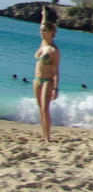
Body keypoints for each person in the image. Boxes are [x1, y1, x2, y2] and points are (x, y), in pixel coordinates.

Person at [33, 7, 60, 143]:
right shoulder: (43, 44)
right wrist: (44, 15)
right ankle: (43, 134)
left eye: (44, 31)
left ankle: (47, 137)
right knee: (40, 109)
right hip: (36, 80)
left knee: (45, 109)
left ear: (51, 32)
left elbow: (55, 71)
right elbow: (42, 25)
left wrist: (55, 88)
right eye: (41, 31)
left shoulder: (53, 50)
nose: (42, 33)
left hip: (47, 81)